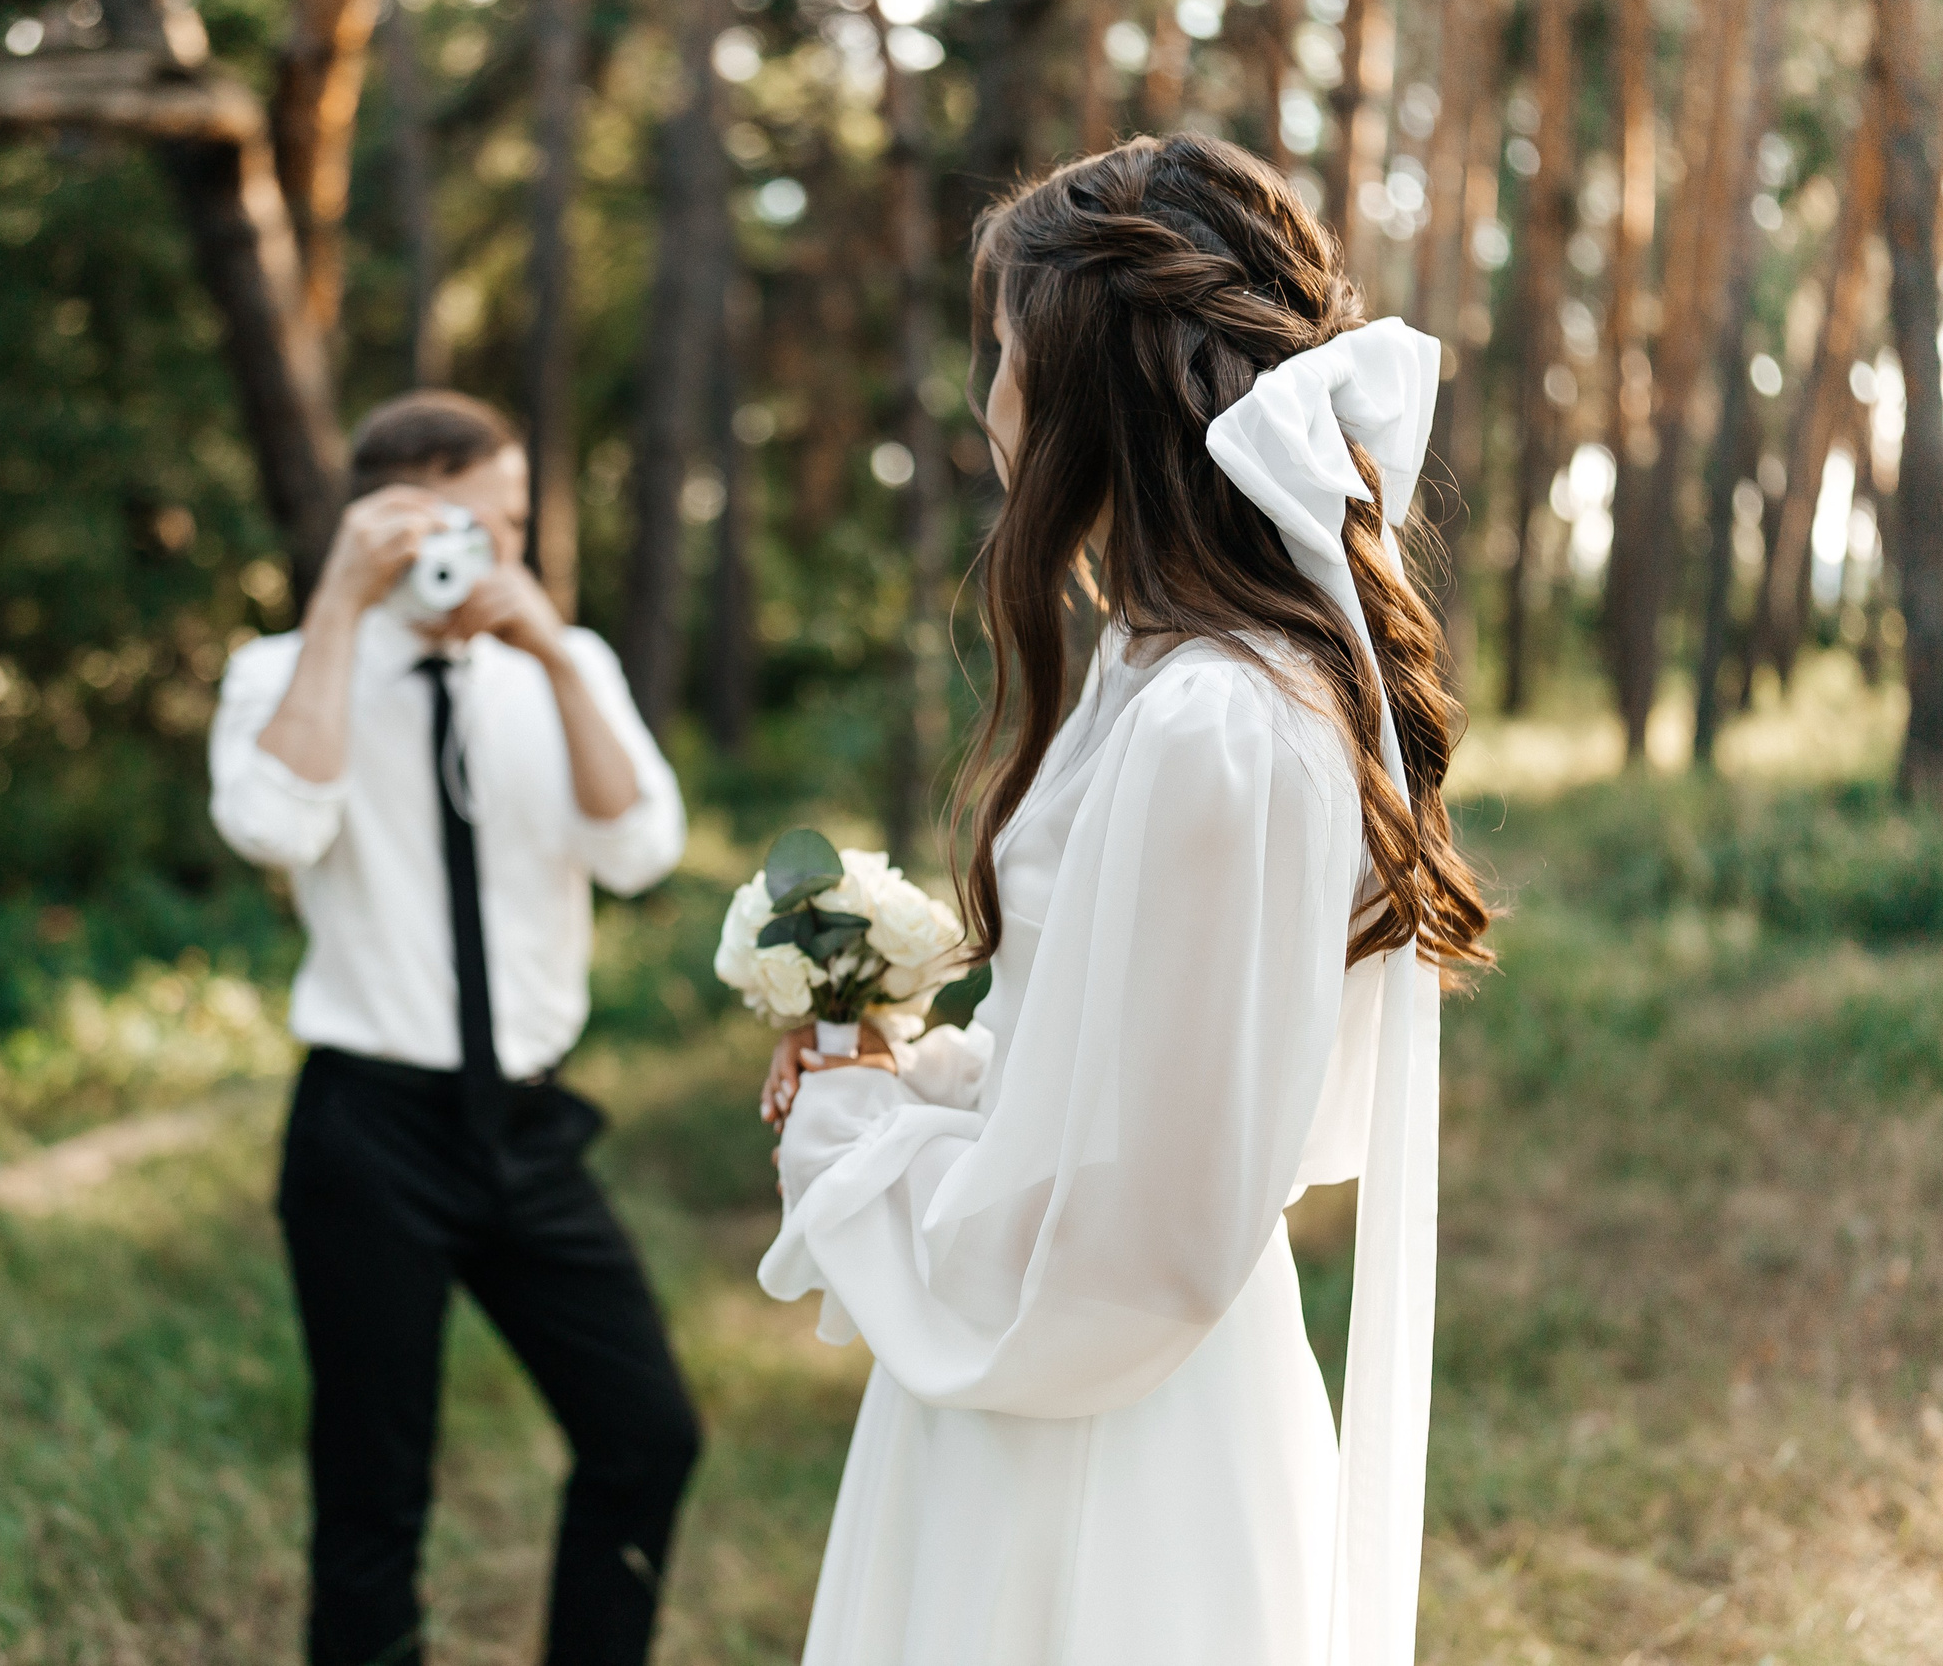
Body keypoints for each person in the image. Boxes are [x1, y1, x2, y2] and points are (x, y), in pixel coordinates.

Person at [754, 135, 1495, 1665]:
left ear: (1092, 384)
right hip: (1060, 1398)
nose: (990, 401)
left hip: (1109, 1431)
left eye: (1006, 353)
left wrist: (853, 1140)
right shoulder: (1157, 672)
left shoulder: (1219, 721)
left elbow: (1129, 1234)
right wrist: (905, 1070)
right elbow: (1101, 1073)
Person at [210, 391, 701, 1666]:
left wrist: (547, 650)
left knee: (647, 1433)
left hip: (532, 1127)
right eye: (467, 523)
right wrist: (336, 605)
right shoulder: (279, 673)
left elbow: (640, 848)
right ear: (384, 522)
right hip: (369, 1131)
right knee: (373, 1486)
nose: (495, 550)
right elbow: (273, 826)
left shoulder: (565, 665)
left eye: (512, 522)